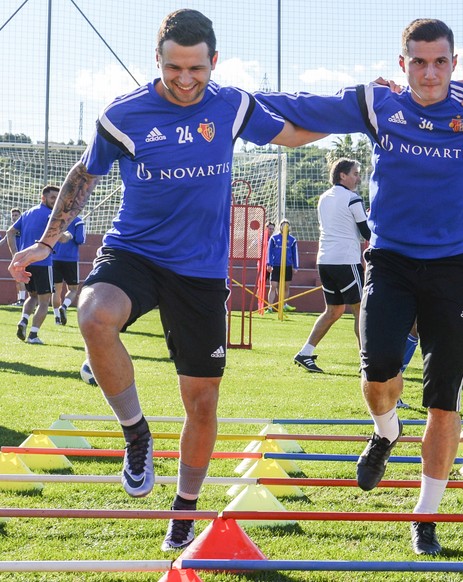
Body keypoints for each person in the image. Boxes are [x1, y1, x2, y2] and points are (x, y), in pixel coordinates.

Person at [256, 18, 463, 555]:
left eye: (440, 61)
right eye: (418, 61)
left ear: (454, 63)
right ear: (402, 62)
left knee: (443, 399)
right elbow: (300, 106)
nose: (430, 73)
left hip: (450, 270)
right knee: (378, 372)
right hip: (389, 263)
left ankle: (425, 516)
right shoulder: (376, 104)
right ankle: (385, 432)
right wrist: (217, 98)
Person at [8, 8, 320, 552]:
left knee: (202, 403)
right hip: (136, 252)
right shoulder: (123, 116)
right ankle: (136, 433)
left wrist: (374, 114)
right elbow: (84, 174)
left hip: (200, 274)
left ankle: (184, 511)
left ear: (213, 62)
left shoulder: (232, 105)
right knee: (93, 312)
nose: (184, 78)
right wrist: (48, 240)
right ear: (158, 60)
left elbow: (292, 136)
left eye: (196, 68)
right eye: (174, 67)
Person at [294, 158, 369, 373]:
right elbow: (366, 233)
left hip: (325, 260)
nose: (358, 177)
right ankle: (366, 363)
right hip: (346, 260)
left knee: (334, 310)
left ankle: (305, 353)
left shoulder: (324, 198)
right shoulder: (353, 199)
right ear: (342, 175)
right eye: (355, 173)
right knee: (361, 311)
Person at [6, 187, 67, 344]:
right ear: (43, 198)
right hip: (43, 262)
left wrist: (16, 254)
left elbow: (10, 232)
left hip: (28, 262)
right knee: (44, 301)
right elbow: (61, 238)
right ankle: (33, 335)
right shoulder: (51, 216)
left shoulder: (27, 213)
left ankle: (23, 320)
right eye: (52, 197)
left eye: (57, 197)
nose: (55, 200)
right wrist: (65, 234)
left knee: (32, 296)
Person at [51, 215, 86, 325]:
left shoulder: (56, 218)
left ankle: (57, 318)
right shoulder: (78, 221)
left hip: (54, 258)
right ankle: (64, 306)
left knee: (56, 290)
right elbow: (80, 239)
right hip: (70, 259)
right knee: (73, 289)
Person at [266, 219, 299, 312]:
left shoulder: (292, 240)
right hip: (276, 265)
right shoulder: (274, 238)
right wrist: (269, 264)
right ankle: (270, 307)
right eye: (283, 225)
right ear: (280, 226)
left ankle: (283, 305)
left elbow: (294, 254)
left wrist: (295, 266)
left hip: (287, 266)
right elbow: (269, 252)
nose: (285, 227)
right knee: (273, 286)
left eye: (287, 226)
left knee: (285, 287)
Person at [0, 208, 27, 305]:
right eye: (13, 215)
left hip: (23, 256)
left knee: (21, 277)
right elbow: (3, 241)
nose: (15, 217)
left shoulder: (23, 227)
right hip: (15, 256)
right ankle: (20, 299)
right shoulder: (11, 229)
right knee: (17, 278)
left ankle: (23, 300)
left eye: (16, 215)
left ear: (20, 216)